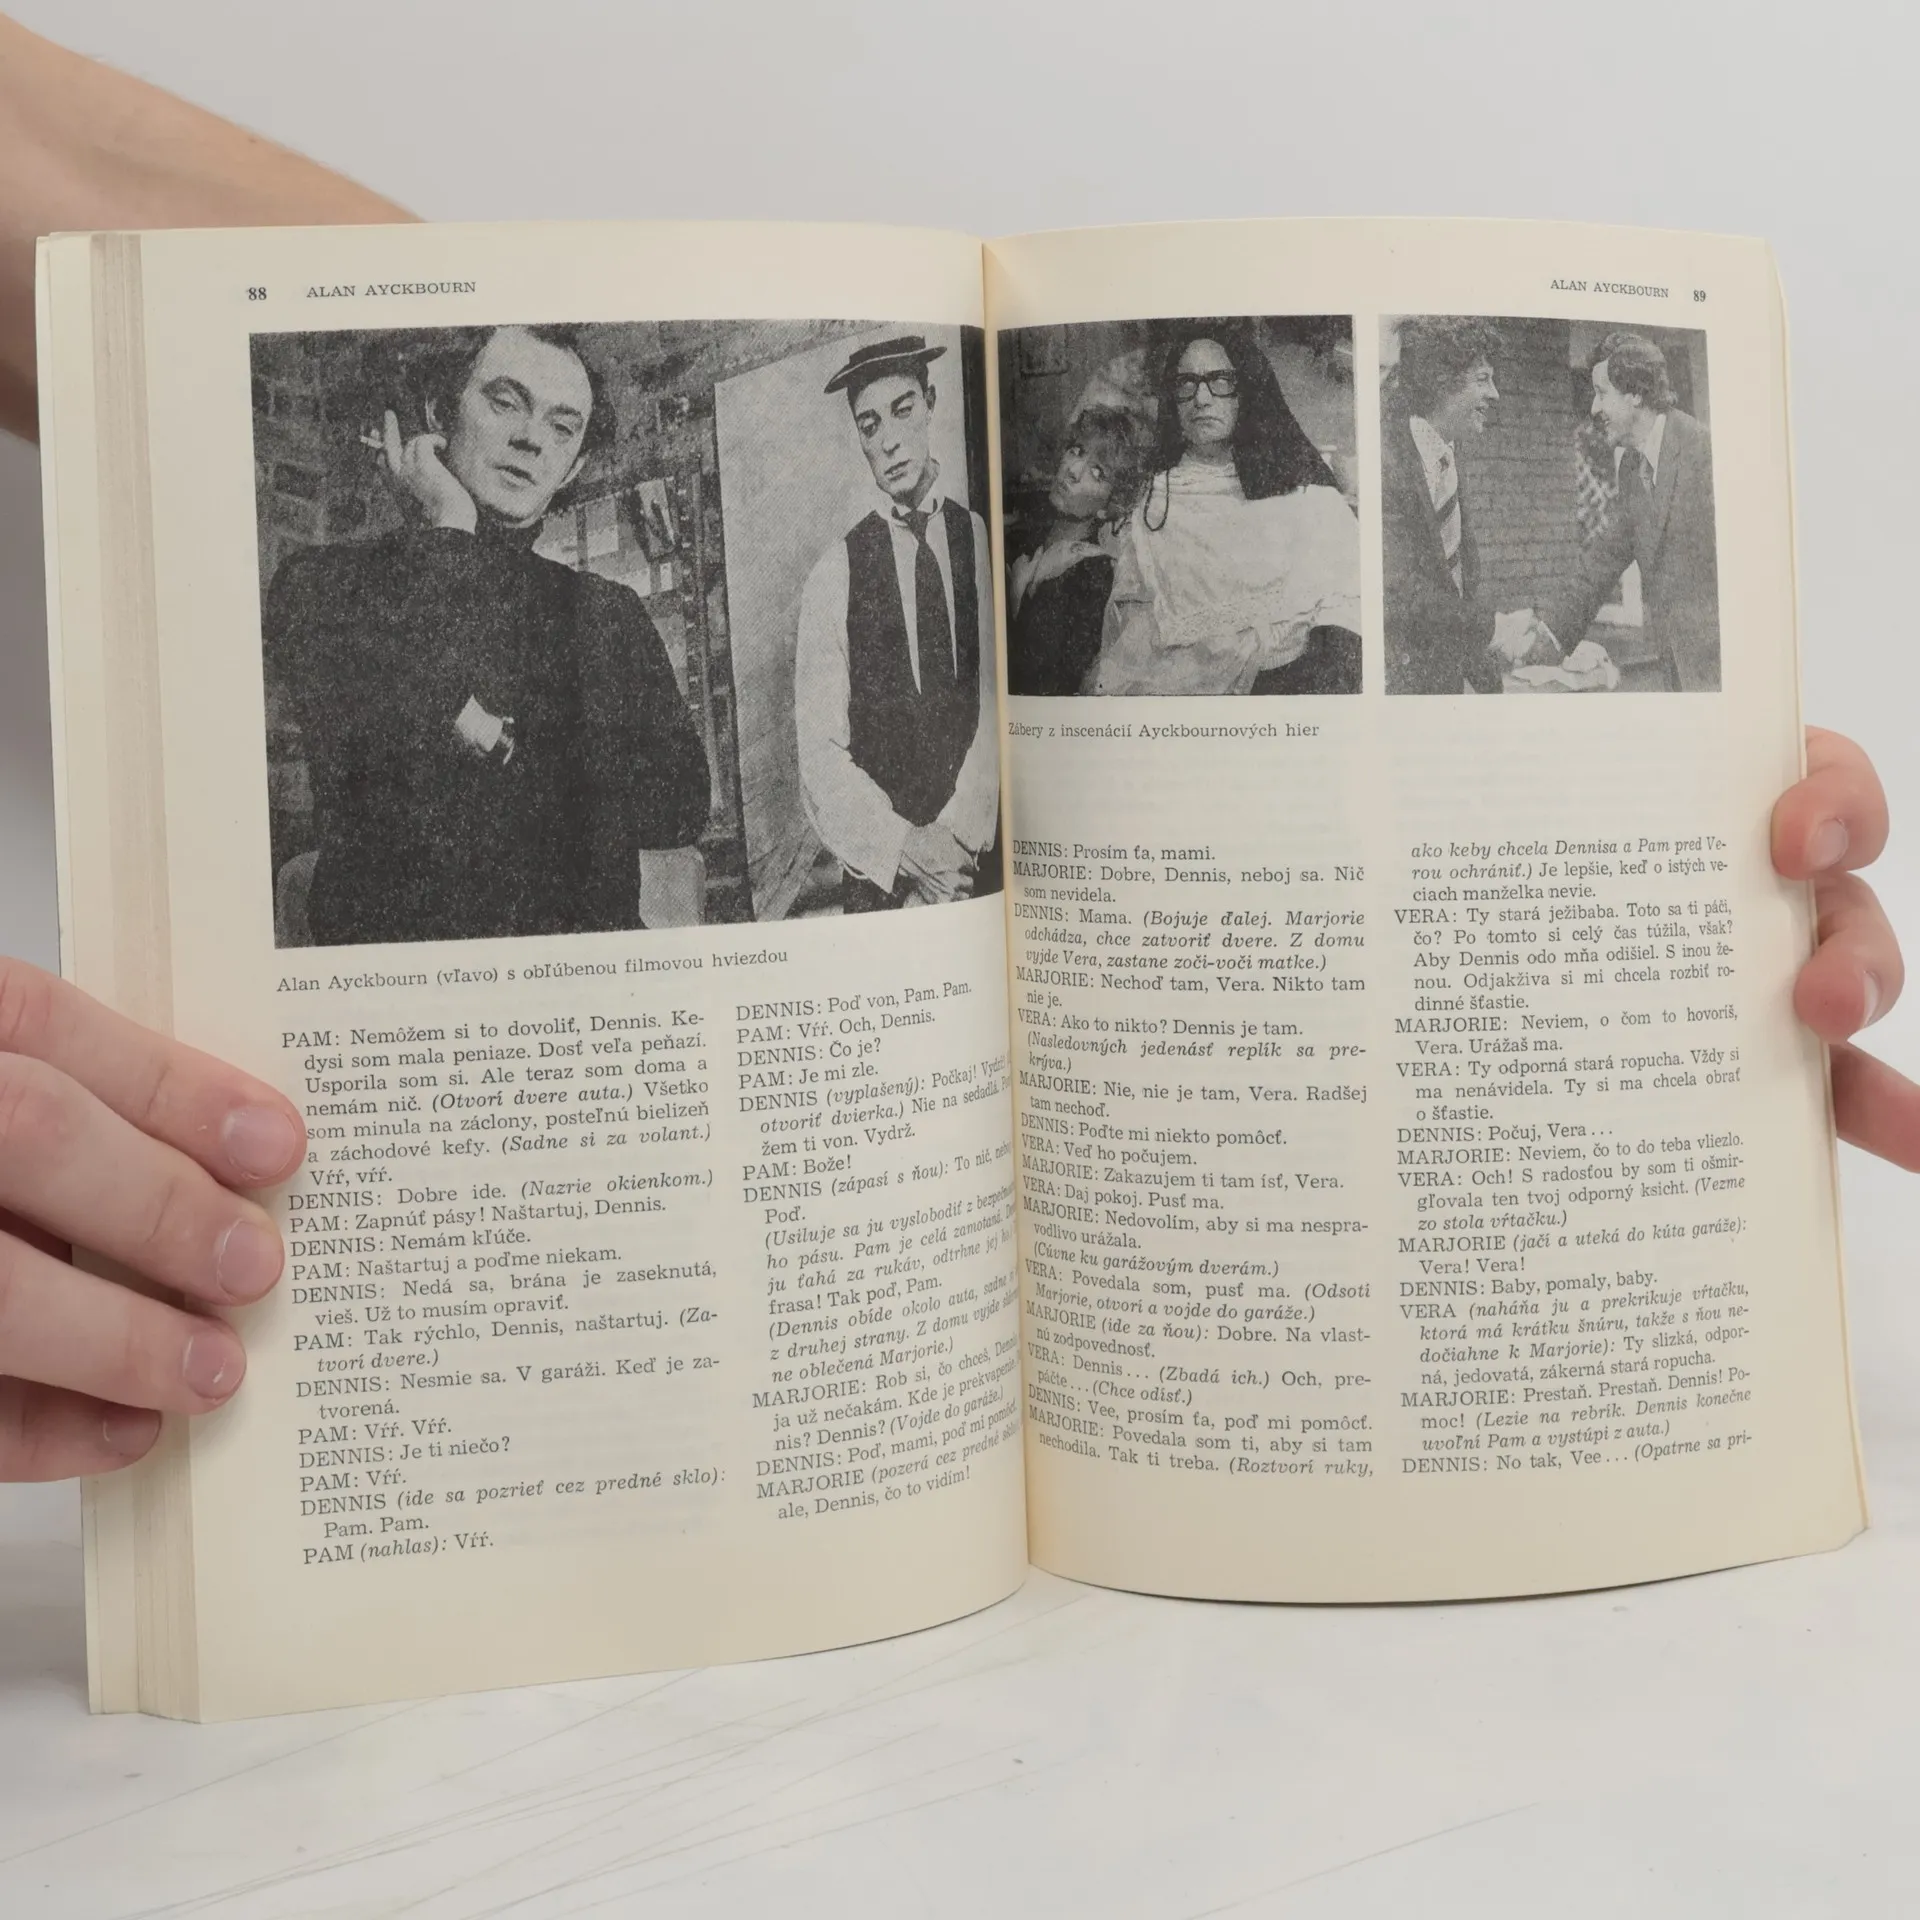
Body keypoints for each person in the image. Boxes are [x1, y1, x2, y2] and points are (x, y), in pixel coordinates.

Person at [0, 18, 1910, 1486]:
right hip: (836, 926)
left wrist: (1598, 840)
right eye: (877, 427)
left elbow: (916, 751)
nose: (901, 444)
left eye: (559, 416)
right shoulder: (828, 570)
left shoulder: (1013, 555)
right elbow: (810, 748)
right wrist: (893, 854)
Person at [267, 322, 711, 944]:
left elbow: (679, 804)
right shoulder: (324, 584)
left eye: (563, 427)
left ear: (573, 467)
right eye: (505, 402)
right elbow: (391, 775)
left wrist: (483, 734)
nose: (531, 438)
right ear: (439, 414)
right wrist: (451, 521)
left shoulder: (609, 613)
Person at [794, 335, 1000, 909]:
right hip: (885, 883)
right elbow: (820, 755)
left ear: (931, 404)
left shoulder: (982, 541)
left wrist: (955, 844)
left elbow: (998, 709)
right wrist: (908, 848)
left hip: (975, 867)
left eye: (902, 410)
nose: (888, 440)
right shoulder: (833, 574)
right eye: (869, 425)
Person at [1090, 320, 1361, 696]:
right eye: (1186, 383)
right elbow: (1135, 645)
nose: (1201, 399)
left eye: (1220, 381)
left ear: (1245, 391)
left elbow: (1345, 620)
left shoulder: (1309, 501)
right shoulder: (1150, 505)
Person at [1382, 317, 1549, 694]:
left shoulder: (1447, 456)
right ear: (1442, 381)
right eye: (1482, 379)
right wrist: (1497, 628)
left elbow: (1458, 589)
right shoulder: (1388, 460)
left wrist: (1491, 682)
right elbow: (1398, 594)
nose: (1495, 394)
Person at [1545, 331, 1720, 690]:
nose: (1594, 409)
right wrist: (1548, 635)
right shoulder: (1630, 467)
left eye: (1601, 393)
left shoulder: (1705, 453)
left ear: (1636, 393)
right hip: (1678, 672)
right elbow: (1604, 559)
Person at [1006, 405, 1143, 696]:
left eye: (1097, 473)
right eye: (1076, 451)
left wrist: (1019, 595)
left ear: (1109, 505)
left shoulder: (1093, 574)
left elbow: (1049, 684)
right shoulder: (1020, 539)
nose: (1073, 471)